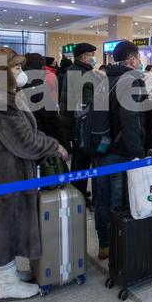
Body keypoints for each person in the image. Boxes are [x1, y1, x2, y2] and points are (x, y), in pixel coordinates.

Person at [0, 47, 68, 302]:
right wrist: (54, 145)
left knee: (6, 223)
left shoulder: (6, 96)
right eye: (16, 68)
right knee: (3, 225)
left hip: (8, 171)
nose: (21, 72)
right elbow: (24, 142)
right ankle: (6, 284)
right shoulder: (1, 103)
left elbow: (26, 133)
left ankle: (8, 274)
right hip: (5, 175)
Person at [93, 41, 148, 259]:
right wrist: (138, 153)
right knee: (119, 199)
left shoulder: (103, 79)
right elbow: (131, 120)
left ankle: (104, 244)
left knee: (102, 198)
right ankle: (119, 244)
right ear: (133, 60)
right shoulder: (131, 81)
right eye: (139, 59)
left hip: (101, 147)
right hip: (120, 150)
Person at [59, 43, 98, 202]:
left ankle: (78, 193)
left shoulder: (74, 71)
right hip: (82, 126)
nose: (94, 58)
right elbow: (88, 103)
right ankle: (79, 196)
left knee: (78, 162)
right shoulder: (82, 74)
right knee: (82, 163)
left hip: (75, 125)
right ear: (84, 57)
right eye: (92, 55)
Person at [23, 53, 71, 152]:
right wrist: (62, 144)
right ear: (40, 68)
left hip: (23, 138)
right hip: (41, 140)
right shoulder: (39, 87)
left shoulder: (15, 85)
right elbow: (51, 119)